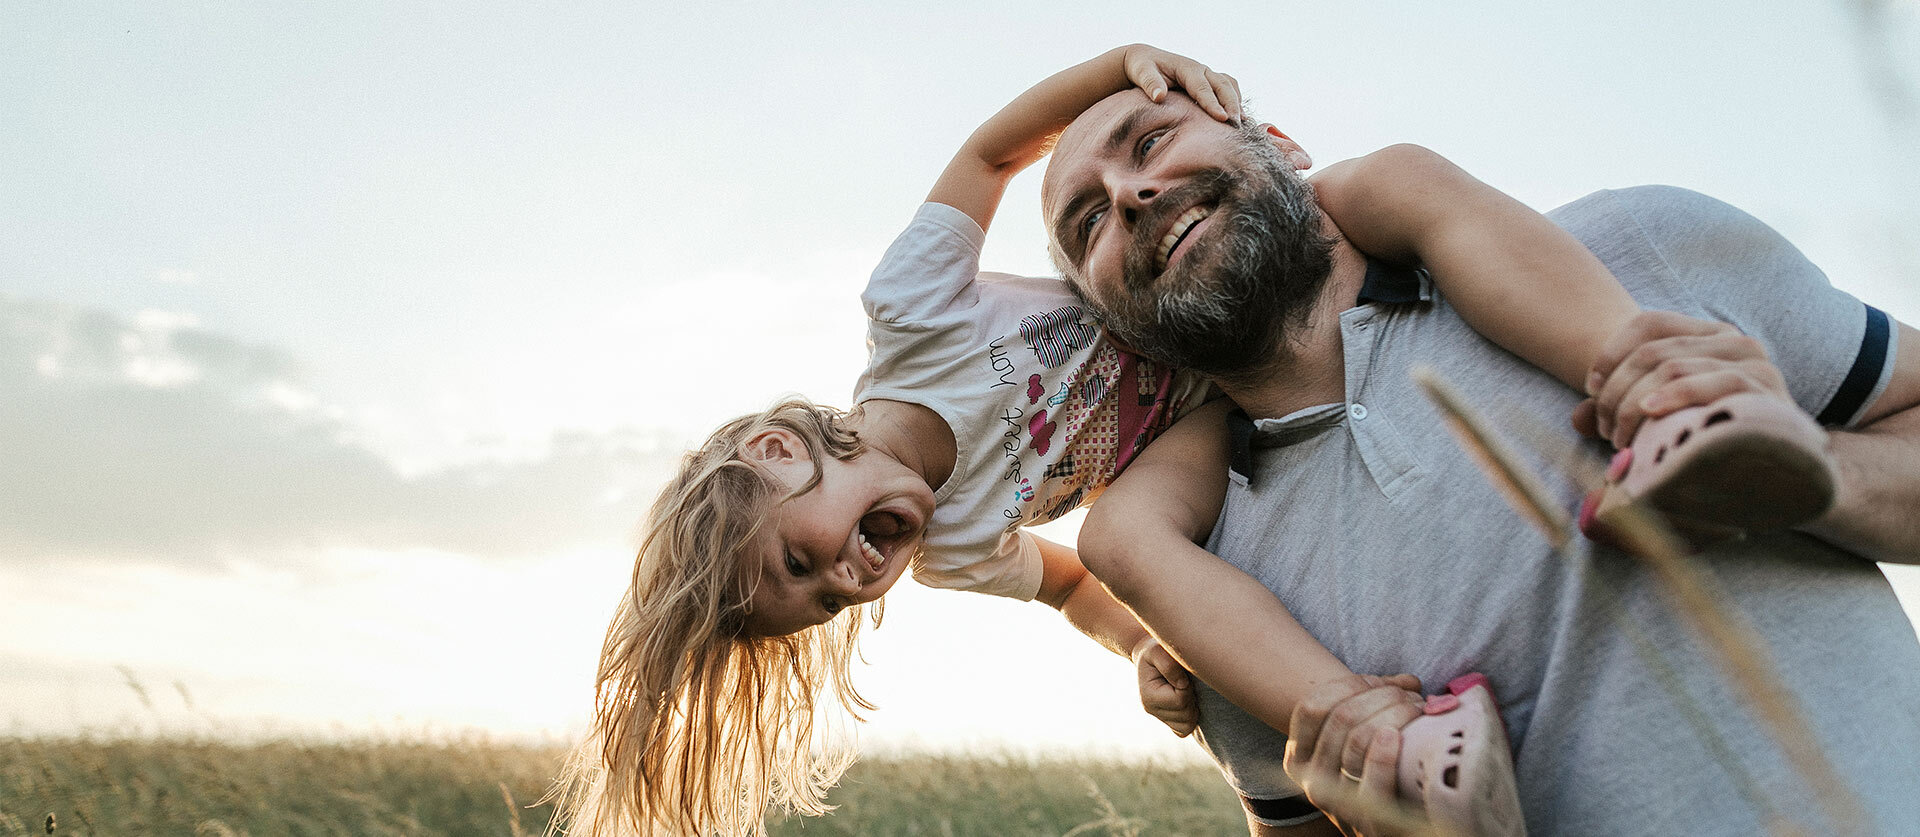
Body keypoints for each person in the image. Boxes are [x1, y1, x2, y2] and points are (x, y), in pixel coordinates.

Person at [1043, 83, 1920, 835]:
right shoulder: (1211, 605)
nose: (1130, 194)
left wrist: (1818, 472)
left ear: (1277, 145)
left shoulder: (1636, 252)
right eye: (1089, 223)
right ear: (1116, 327)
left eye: (1152, 141)